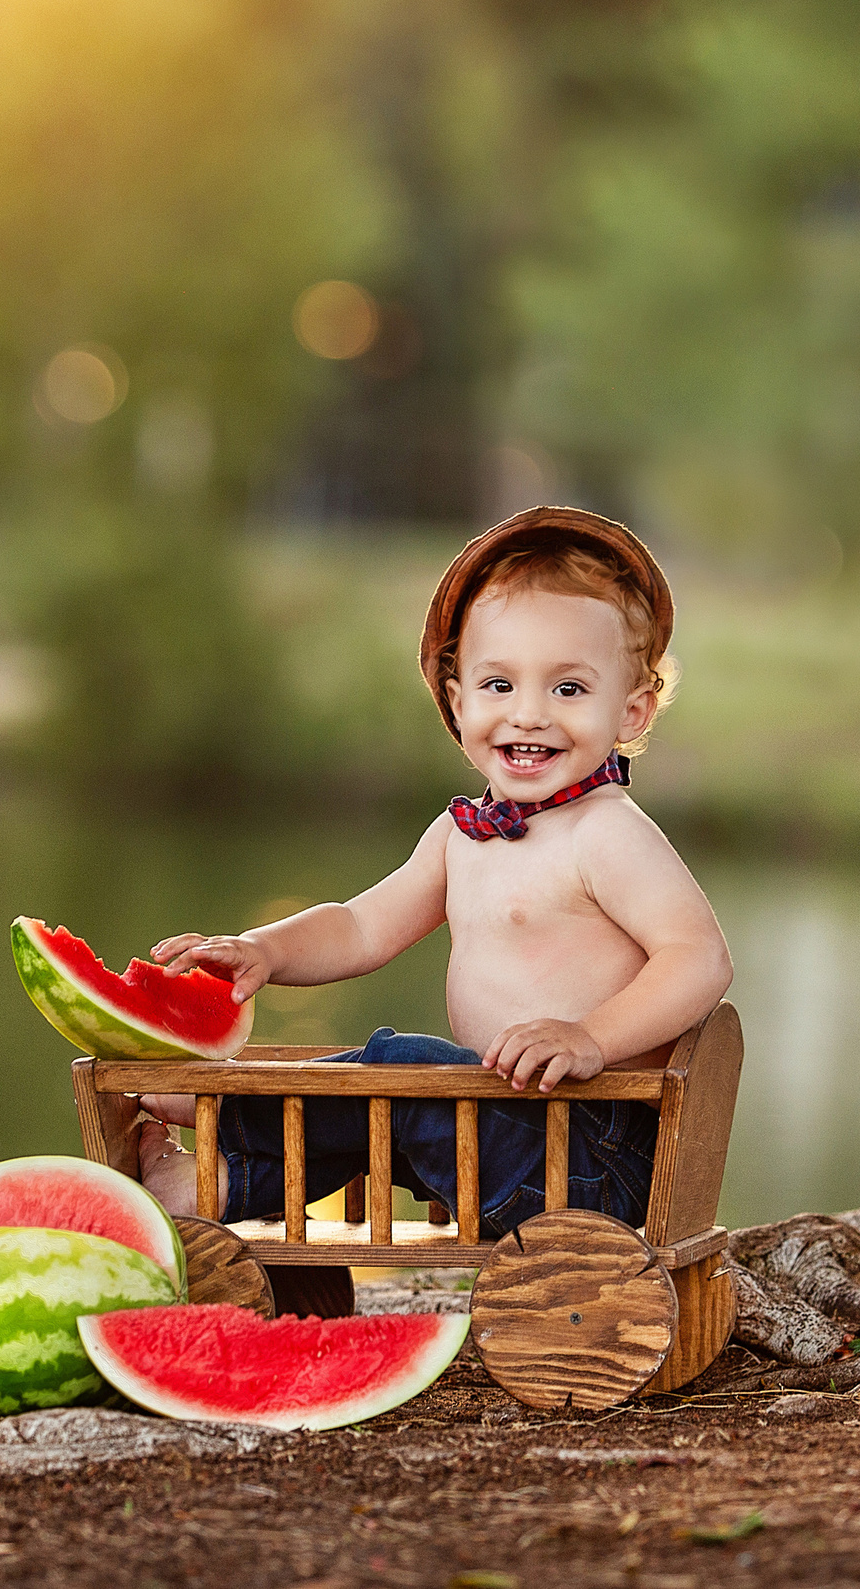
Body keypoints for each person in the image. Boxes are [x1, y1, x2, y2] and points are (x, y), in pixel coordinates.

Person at [130, 507, 734, 1237]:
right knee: (378, 1088)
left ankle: (219, 1113)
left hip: (585, 1154)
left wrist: (591, 1038)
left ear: (632, 710)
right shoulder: (461, 834)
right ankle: (221, 1180)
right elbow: (360, 926)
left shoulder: (605, 833)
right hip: (499, 1129)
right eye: (499, 685)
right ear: (458, 700)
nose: (530, 713)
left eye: (569, 689)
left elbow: (700, 957)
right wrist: (265, 950)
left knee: (401, 1071)